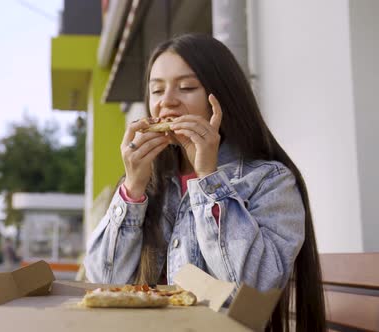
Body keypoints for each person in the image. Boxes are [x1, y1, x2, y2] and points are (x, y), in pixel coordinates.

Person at [83, 34, 325, 331]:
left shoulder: (269, 180)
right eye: (156, 90)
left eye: (186, 87)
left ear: (222, 98)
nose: (167, 102)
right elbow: (102, 284)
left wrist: (209, 179)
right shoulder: (147, 183)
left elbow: (249, 292)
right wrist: (132, 189)